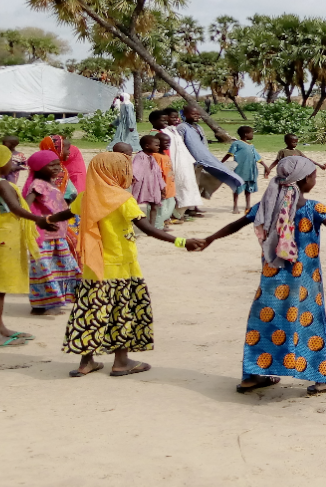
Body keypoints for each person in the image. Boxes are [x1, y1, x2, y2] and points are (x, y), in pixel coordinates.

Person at [195, 156, 326, 395]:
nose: (315, 179)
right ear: (305, 180)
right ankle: (321, 378)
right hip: (303, 283)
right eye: (314, 176)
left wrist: (209, 239)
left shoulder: (266, 205)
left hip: (271, 282)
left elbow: (237, 223)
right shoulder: (314, 208)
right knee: (308, 325)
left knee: (264, 324)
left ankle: (254, 375)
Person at [44, 152, 204, 377]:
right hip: (121, 265)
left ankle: (86, 362)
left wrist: (47, 220)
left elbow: (67, 212)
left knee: (92, 311)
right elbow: (147, 227)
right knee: (122, 312)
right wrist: (181, 241)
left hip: (93, 266)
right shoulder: (122, 199)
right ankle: (121, 361)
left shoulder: (86, 196)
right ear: (116, 172)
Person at [0, 145, 54, 346]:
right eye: (9, 161)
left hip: (6, 236)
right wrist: (38, 220)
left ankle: (2, 328)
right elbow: (15, 208)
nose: (12, 164)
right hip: (5, 238)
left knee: (1, 288)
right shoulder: (3, 185)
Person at [22, 149, 81, 314]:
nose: (57, 168)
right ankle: (39, 305)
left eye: (58, 164)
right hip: (45, 235)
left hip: (57, 234)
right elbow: (26, 205)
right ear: (39, 168)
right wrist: (35, 220)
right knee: (43, 268)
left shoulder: (51, 183)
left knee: (63, 266)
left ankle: (58, 298)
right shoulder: (38, 185)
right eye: (51, 165)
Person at [179, 105, 244, 200]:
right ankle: (189, 208)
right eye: (193, 114)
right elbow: (179, 144)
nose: (197, 116)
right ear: (185, 114)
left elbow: (203, 144)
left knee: (198, 182)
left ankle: (195, 206)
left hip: (201, 160)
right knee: (189, 184)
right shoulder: (182, 127)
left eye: (198, 114)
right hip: (189, 160)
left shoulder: (198, 127)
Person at [162, 109, 204, 220]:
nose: (175, 119)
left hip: (185, 162)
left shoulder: (175, 130)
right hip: (174, 163)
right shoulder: (166, 132)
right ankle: (172, 215)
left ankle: (182, 212)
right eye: (172, 117)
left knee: (188, 186)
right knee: (176, 189)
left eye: (176, 117)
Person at [221, 125, 265, 214]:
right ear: (246, 134)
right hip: (240, 170)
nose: (252, 135)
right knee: (237, 188)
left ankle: (248, 206)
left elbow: (257, 157)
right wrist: (220, 163)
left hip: (250, 171)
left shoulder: (251, 146)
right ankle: (235, 206)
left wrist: (265, 166)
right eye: (251, 133)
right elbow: (229, 154)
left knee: (249, 189)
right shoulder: (236, 144)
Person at [130, 136, 166, 226]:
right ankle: (130, 224)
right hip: (142, 184)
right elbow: (135, 169)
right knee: (133, 204)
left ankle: (152, 226)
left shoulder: (152, 158)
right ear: (147, 146)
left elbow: (158, 173)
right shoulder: (140, 156)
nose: (159, 147)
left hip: (153, 185)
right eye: (157, 145)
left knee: (154, 204)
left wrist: (162, 187)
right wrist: (133, 178)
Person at [150, 133, 177, 229]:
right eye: (165, 142)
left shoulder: (165, 155)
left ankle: (161, 224)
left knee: (170, 206)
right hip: (161, 188)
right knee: (161, 209)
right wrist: (160, 188)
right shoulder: (156, 156)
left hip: (169, 187)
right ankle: (157, 227)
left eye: (169, 142)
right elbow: (155, 173)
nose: (167, 144)